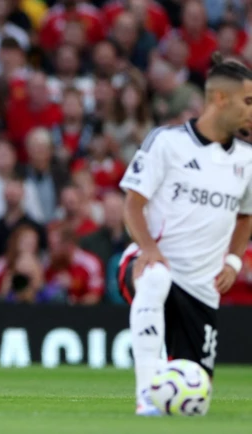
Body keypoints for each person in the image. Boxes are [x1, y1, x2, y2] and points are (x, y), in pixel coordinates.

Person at [118, 54, 252, 416]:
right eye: (248, 102)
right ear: (221, 100)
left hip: (202, 287)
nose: (251, 111)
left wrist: (234, 259)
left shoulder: (247, 159)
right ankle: (146, 391)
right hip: (150, 261)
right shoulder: (167, 142)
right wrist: (147, 248)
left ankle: (166, 390)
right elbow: (132, 203)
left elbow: (246, 216)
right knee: (156, 277)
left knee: (196, 399)